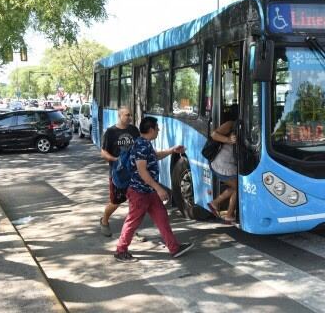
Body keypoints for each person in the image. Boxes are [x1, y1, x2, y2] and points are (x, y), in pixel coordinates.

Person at [114, 116, 194, 262]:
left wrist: (171, 151)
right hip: (139, 192)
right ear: (151, 130)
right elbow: (142, 171)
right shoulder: (141, 145)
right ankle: (121, 250)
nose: (158, 130)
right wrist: (159, 189)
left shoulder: (144, 144)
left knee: (162, 218)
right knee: (133, 221)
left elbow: (154, 156)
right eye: (157, 128)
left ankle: (174, 248)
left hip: (148, 192)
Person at [99, 106, 142, 238]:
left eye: (130, 115)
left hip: (133, 173)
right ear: (120, 116)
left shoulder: (134, 130)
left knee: (135, 203)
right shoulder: (111, 132)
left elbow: (140, 145)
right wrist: (115, 159)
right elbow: (103, 153)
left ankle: (131, 229)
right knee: (115, 202)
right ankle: (104, 220)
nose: (130, 118)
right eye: (127, 115)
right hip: (117, 174)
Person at [207, 106, 238, 223]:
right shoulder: (230, 124)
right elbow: (214, 135)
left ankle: (214, 203)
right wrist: (228, 140)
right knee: (238, 187)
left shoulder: (245, 125)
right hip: (222, 164)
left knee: (235, 186)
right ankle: (229, 214)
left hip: (228, 164)